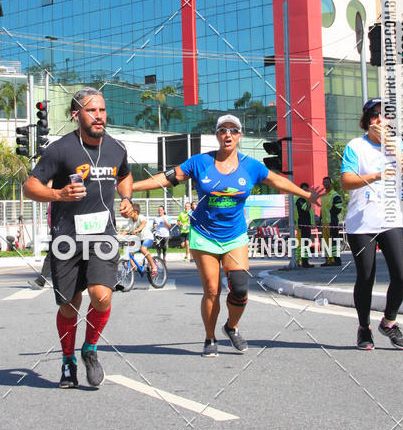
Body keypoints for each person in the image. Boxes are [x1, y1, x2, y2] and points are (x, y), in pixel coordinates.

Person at [133, 114, 321, 357]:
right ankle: (210, 337)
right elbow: (168, 177)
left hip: (234, 235)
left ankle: (231, 327)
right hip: (204, 235)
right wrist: (132, 186)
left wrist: (307, 196)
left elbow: (276, 181)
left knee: (241, 288)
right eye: (223, 130)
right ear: (217, 135)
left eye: (233, 130)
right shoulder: (200, 162)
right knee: (212, 290)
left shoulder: (250, 166)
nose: (228, 134)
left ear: (239, 136)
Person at [24, 87, 134, 389]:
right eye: (91, 111)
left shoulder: (116, 147)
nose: (99, 116)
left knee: (102, 296)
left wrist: (127, 198)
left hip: (103, 236)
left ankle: (90, 349)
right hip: (67, 237)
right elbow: (30, 187)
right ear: (77, 115)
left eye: (101, 110)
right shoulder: (60, 150)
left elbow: (124, 175)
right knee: (69, 306)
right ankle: (68, 360)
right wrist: (57, 193)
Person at [341, 98, 403, 351]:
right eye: (374, 115)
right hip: (362, 222)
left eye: (384, 115)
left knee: (402, 277)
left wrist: (390, 145)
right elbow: (346, 181)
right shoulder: (355, 146)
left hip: (392, 219)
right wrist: (376, 175)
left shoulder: (397, 145)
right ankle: (364, 328)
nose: (380, 119)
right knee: (366, 276)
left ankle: (389, 322)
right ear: (366, 121)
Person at [120, 203, 158, 275]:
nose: (128, 214)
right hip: (138, 240)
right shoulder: (130, 221)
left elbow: (143, 224)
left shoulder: (141, 217)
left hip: (147, 238)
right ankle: (134, 267)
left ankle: (153, 266)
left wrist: (137, 230)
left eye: (130, 212)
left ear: (135, 212)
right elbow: (125, 231)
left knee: (143, 249)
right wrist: (118, 237)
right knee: (128, 251)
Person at [321, 176, 343, 266]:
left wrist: (331, 215)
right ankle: (328, 260)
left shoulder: (335, 195)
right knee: (326, 242)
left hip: (332, 222)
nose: (326, 184)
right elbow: (322, 209)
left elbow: (339, 207)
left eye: (327, 182)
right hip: (324, 223)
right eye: (324, 182)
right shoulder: (323, 196)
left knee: (334, 241)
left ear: (330, 183)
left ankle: (337, 260)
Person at [295, 184, 315, 268]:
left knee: (305, 243)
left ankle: (303, 261)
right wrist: (309, 198)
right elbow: (306, 208)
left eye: (307, 190)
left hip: (306, 225)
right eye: (304, 190)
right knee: (303, 244)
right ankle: (302, 262)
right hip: (302, 225)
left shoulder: (303, 199)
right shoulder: (299, 200)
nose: (306, 192)